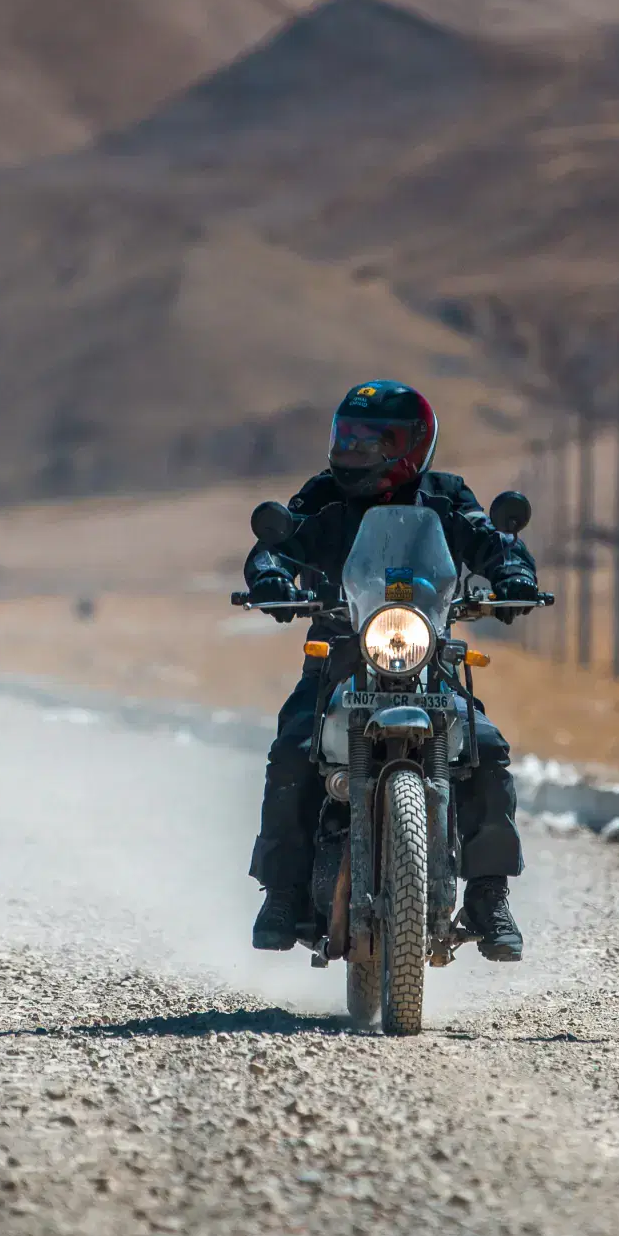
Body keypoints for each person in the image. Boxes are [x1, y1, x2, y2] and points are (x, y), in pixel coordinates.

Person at [240, 380, 541, 960]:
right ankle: (281, 893)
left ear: (411, 444)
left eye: (371, 441)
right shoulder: (324, 495)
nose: (354, 451)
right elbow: (279, 543)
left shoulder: (446, 496)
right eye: (347, 438)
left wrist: (515, 574)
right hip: (342, 653)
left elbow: (492, 541)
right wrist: (271, 576)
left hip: (428, 656)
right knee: (294, 747)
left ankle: (488, 895)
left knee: (485, 750)